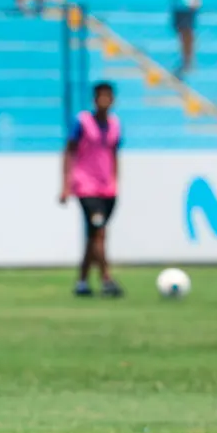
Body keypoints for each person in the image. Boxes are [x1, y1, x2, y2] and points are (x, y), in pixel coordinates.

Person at [60, 82, 124, 298]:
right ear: (94, 99)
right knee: (99, 232)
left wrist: (116, 182)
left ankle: (82, 282)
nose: (104, 101)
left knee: (93, 235)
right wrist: (66, 185)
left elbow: (114, 155)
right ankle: (107, 279)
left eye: (108, 96)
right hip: (86, 186)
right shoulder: (82, 122)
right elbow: (69, 152)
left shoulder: (116, 125)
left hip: (107, 189)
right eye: (101, 96)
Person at [172, 0, 204, 78]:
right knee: (181, 32)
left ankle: (189, 61)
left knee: (188, 32)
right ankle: (185, 60)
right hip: (178, 1)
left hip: (189, 3)